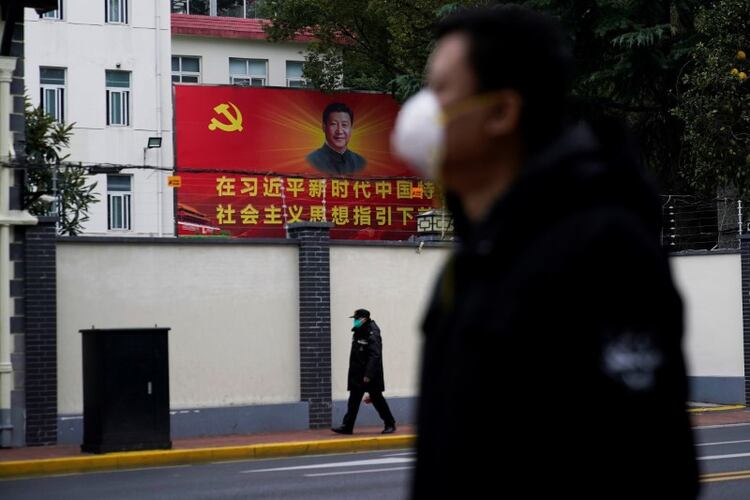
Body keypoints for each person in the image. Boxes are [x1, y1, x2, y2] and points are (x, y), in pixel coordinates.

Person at [391, 6, 699, 499]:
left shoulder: (604, 249)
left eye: (442, 89)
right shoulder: (476, 255)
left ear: (502, 112)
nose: (421, 110)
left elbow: (650, 465)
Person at [331, 308, 396, 435]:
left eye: (356, 319)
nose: (354, 321)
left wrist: (368, 375)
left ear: (363, 319)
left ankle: (390, 424)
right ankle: (347, 426)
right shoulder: (358, 331)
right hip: (357, 373)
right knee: (353, 400)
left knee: (377, 399)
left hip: (369, 375)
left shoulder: (372, 331)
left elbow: (375, 355)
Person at [306, 102, 367, 175]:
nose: (340, 131)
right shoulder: (311, 160)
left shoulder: (360, 162)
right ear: (324, 127)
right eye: (333, 124)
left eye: (344, 125)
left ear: (351, 128)